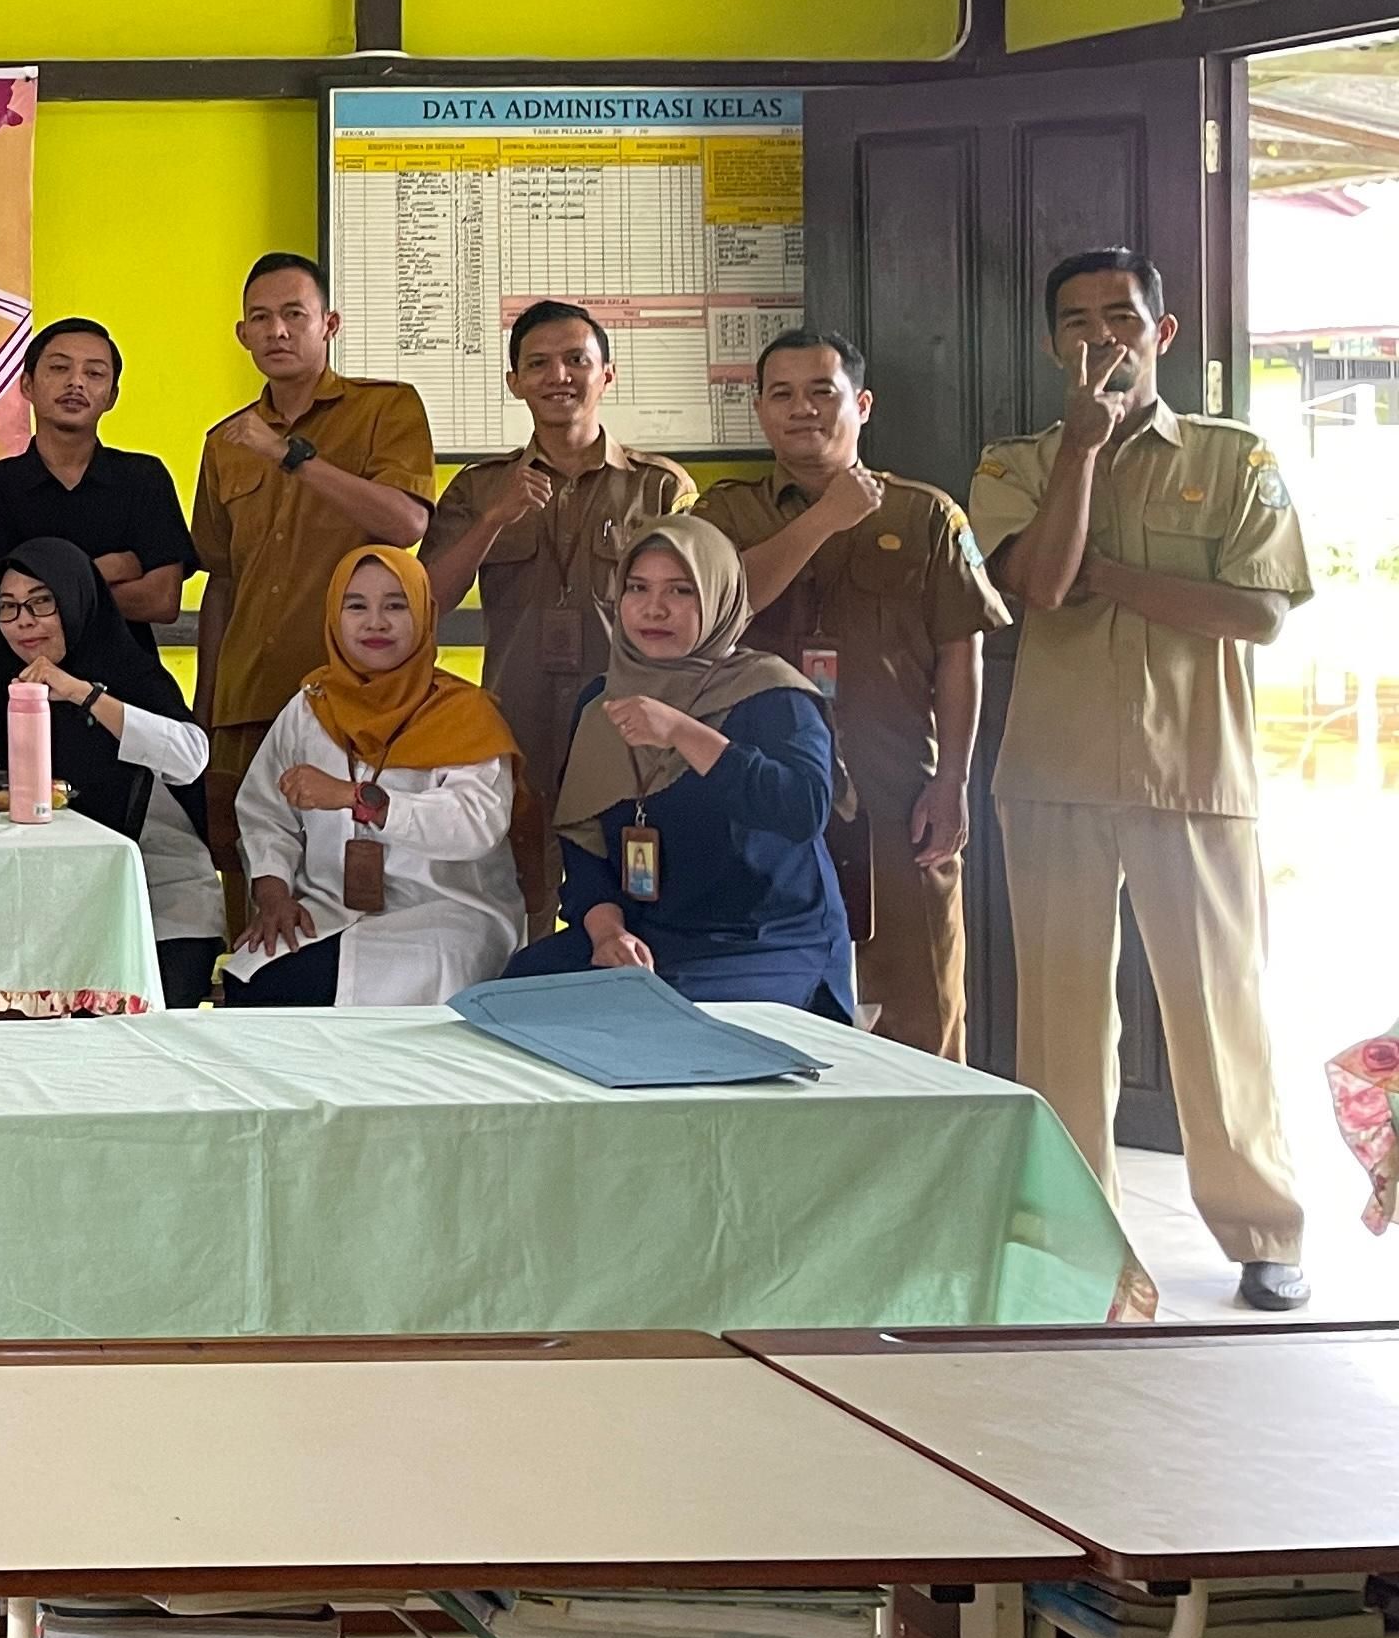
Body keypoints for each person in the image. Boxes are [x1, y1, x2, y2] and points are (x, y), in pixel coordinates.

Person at [974, 247, 1314, 1308]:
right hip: (1054, 772)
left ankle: (1264, 1230)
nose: (1100, 339)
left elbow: (1258, 612)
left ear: (1160, 333)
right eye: (1076, 321)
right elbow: (1037, 586)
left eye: (1120, 318)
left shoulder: (1233, 456)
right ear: (1051, 344)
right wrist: (1083, 450)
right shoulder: (1014, 465)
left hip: (1195, 771)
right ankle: (1080, 1238)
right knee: (1062, 1022)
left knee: (1222, 1009)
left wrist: (1111, 576)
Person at [696, 328, 1010, 1059]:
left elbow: (961, 653)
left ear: (861, 404)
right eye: (782, 394)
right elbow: (720, 611)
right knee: (763, 1003)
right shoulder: (724, 516)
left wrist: (953, 780)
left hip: (895, 790)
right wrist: (824, 519)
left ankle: (930, 1134)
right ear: (759, 408)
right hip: (758, 789)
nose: (802, 408)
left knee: (921, 1004)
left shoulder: (925, 514)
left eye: (822, 391)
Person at [505, 520, 855, 1020]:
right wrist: (607, 934)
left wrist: (682, 732)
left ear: (718, 597)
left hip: (762, 940)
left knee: (665, 1019)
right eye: (637, 588)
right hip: (648, 935)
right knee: (514, 997)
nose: (654, 608)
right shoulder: (603, 702)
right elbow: (584, 842)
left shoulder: (773, 693)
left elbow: (803, 809)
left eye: (680, 591)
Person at [420, 300, 699, 922]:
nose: (559, 376)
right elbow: (426, 602)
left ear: (608, 374)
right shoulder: (478, 487)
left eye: (577, 360)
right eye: (538, 364)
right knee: (520, 899)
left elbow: (701, 616)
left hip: (627, 723)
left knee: (632, 894)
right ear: (514, 381)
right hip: (513, 722)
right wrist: (493, 520)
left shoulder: (660, 487)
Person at [191, 255, 435, 900]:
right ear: (242, 334)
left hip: (356, 697)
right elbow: (222, 580)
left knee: (354, 871)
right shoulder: (224, 442)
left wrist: (292, 458)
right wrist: (207, 703)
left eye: (294, 314)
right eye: (261, 318)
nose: (277, 330)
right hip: (248, 698)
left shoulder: (385, 408)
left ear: (329, 324)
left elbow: (406, 521)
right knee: (250, 876)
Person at [226, 545, 520, 1006]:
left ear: (424, 614)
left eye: (396, 606)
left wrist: (356, 798)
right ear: (333, 616)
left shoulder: (464, 714)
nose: (375, 623)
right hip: (326, 908)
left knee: (409, 984)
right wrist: (274, 894)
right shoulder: (311, 706)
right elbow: (265, 813)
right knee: (256, 980)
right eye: (356, 606)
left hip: (442, 913)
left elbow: (474, 825)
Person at [0, 537, 227, 1003]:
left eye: (41, 602)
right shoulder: (1, 686)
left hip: (161, 903)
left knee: (148, 1024)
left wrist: (83, 694)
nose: (24, 620)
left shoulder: (132, 674)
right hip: (52, 907)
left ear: (76, 600)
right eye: (7, 607)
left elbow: (191, 758)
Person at [0, 318, 192, 653]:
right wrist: (107, 569)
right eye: (59, 368)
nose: (76, 382)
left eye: (94, 373)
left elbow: (161, 601)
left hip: (125, 674)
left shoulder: (144, 478)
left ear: (112, 396)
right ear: (27, 385)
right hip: (22, 676)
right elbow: (4, 605)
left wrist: (43, 591)